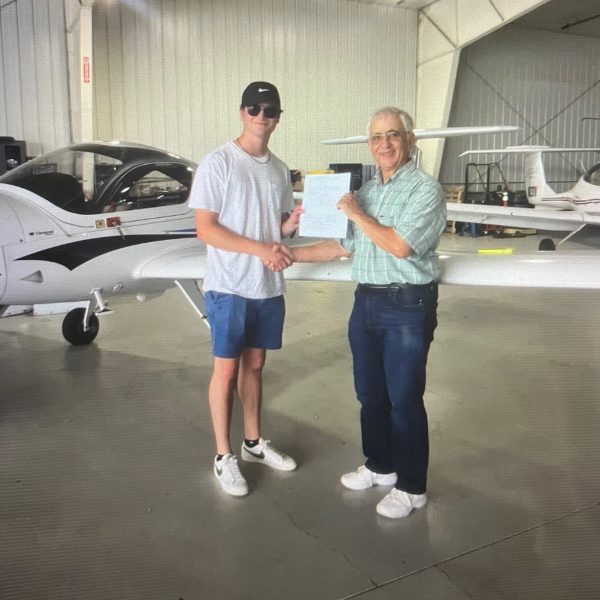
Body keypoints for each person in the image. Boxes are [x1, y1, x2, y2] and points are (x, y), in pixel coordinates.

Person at [291, 107, 446, 518]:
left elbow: (400, 246)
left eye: (393, 135)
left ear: (410, 140)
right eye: (377, 137)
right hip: (366, 302)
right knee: (370, 394)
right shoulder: (368, 191)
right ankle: (381, 466)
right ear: (369, 144)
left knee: (404, 399)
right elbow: (343, 247)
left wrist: (357, 213)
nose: (385, 144)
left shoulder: (425, 190)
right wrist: (289, 254)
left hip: (407, 304)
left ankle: (411, 487)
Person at [188, 81, 302, 497]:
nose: (261, 116)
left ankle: (253, 443)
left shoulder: (279, 170)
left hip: (266, 285)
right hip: (229, 285)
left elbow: (276, 228)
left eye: (269, 110)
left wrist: (291, 225)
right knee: (226, 369)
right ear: (242, 112)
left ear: (278, 118)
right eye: (254, 108)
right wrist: (261, 249)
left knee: (255, 365)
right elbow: (206, 229)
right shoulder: (217, 162)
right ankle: (223, 455)